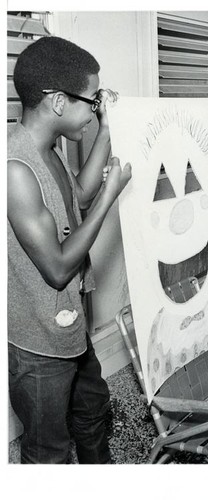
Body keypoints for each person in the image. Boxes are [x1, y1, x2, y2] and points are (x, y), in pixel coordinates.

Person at [7, 36, 132, 464]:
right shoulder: (16, 170)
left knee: (93, 413)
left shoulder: (48, 147)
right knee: (49, 451)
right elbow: (59, 268)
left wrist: (108, 130)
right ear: (59, 101)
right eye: (93, 101)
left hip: (71, 324)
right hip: (40, 342)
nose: (98, 107)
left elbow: (76, 196)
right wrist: (109, 196)